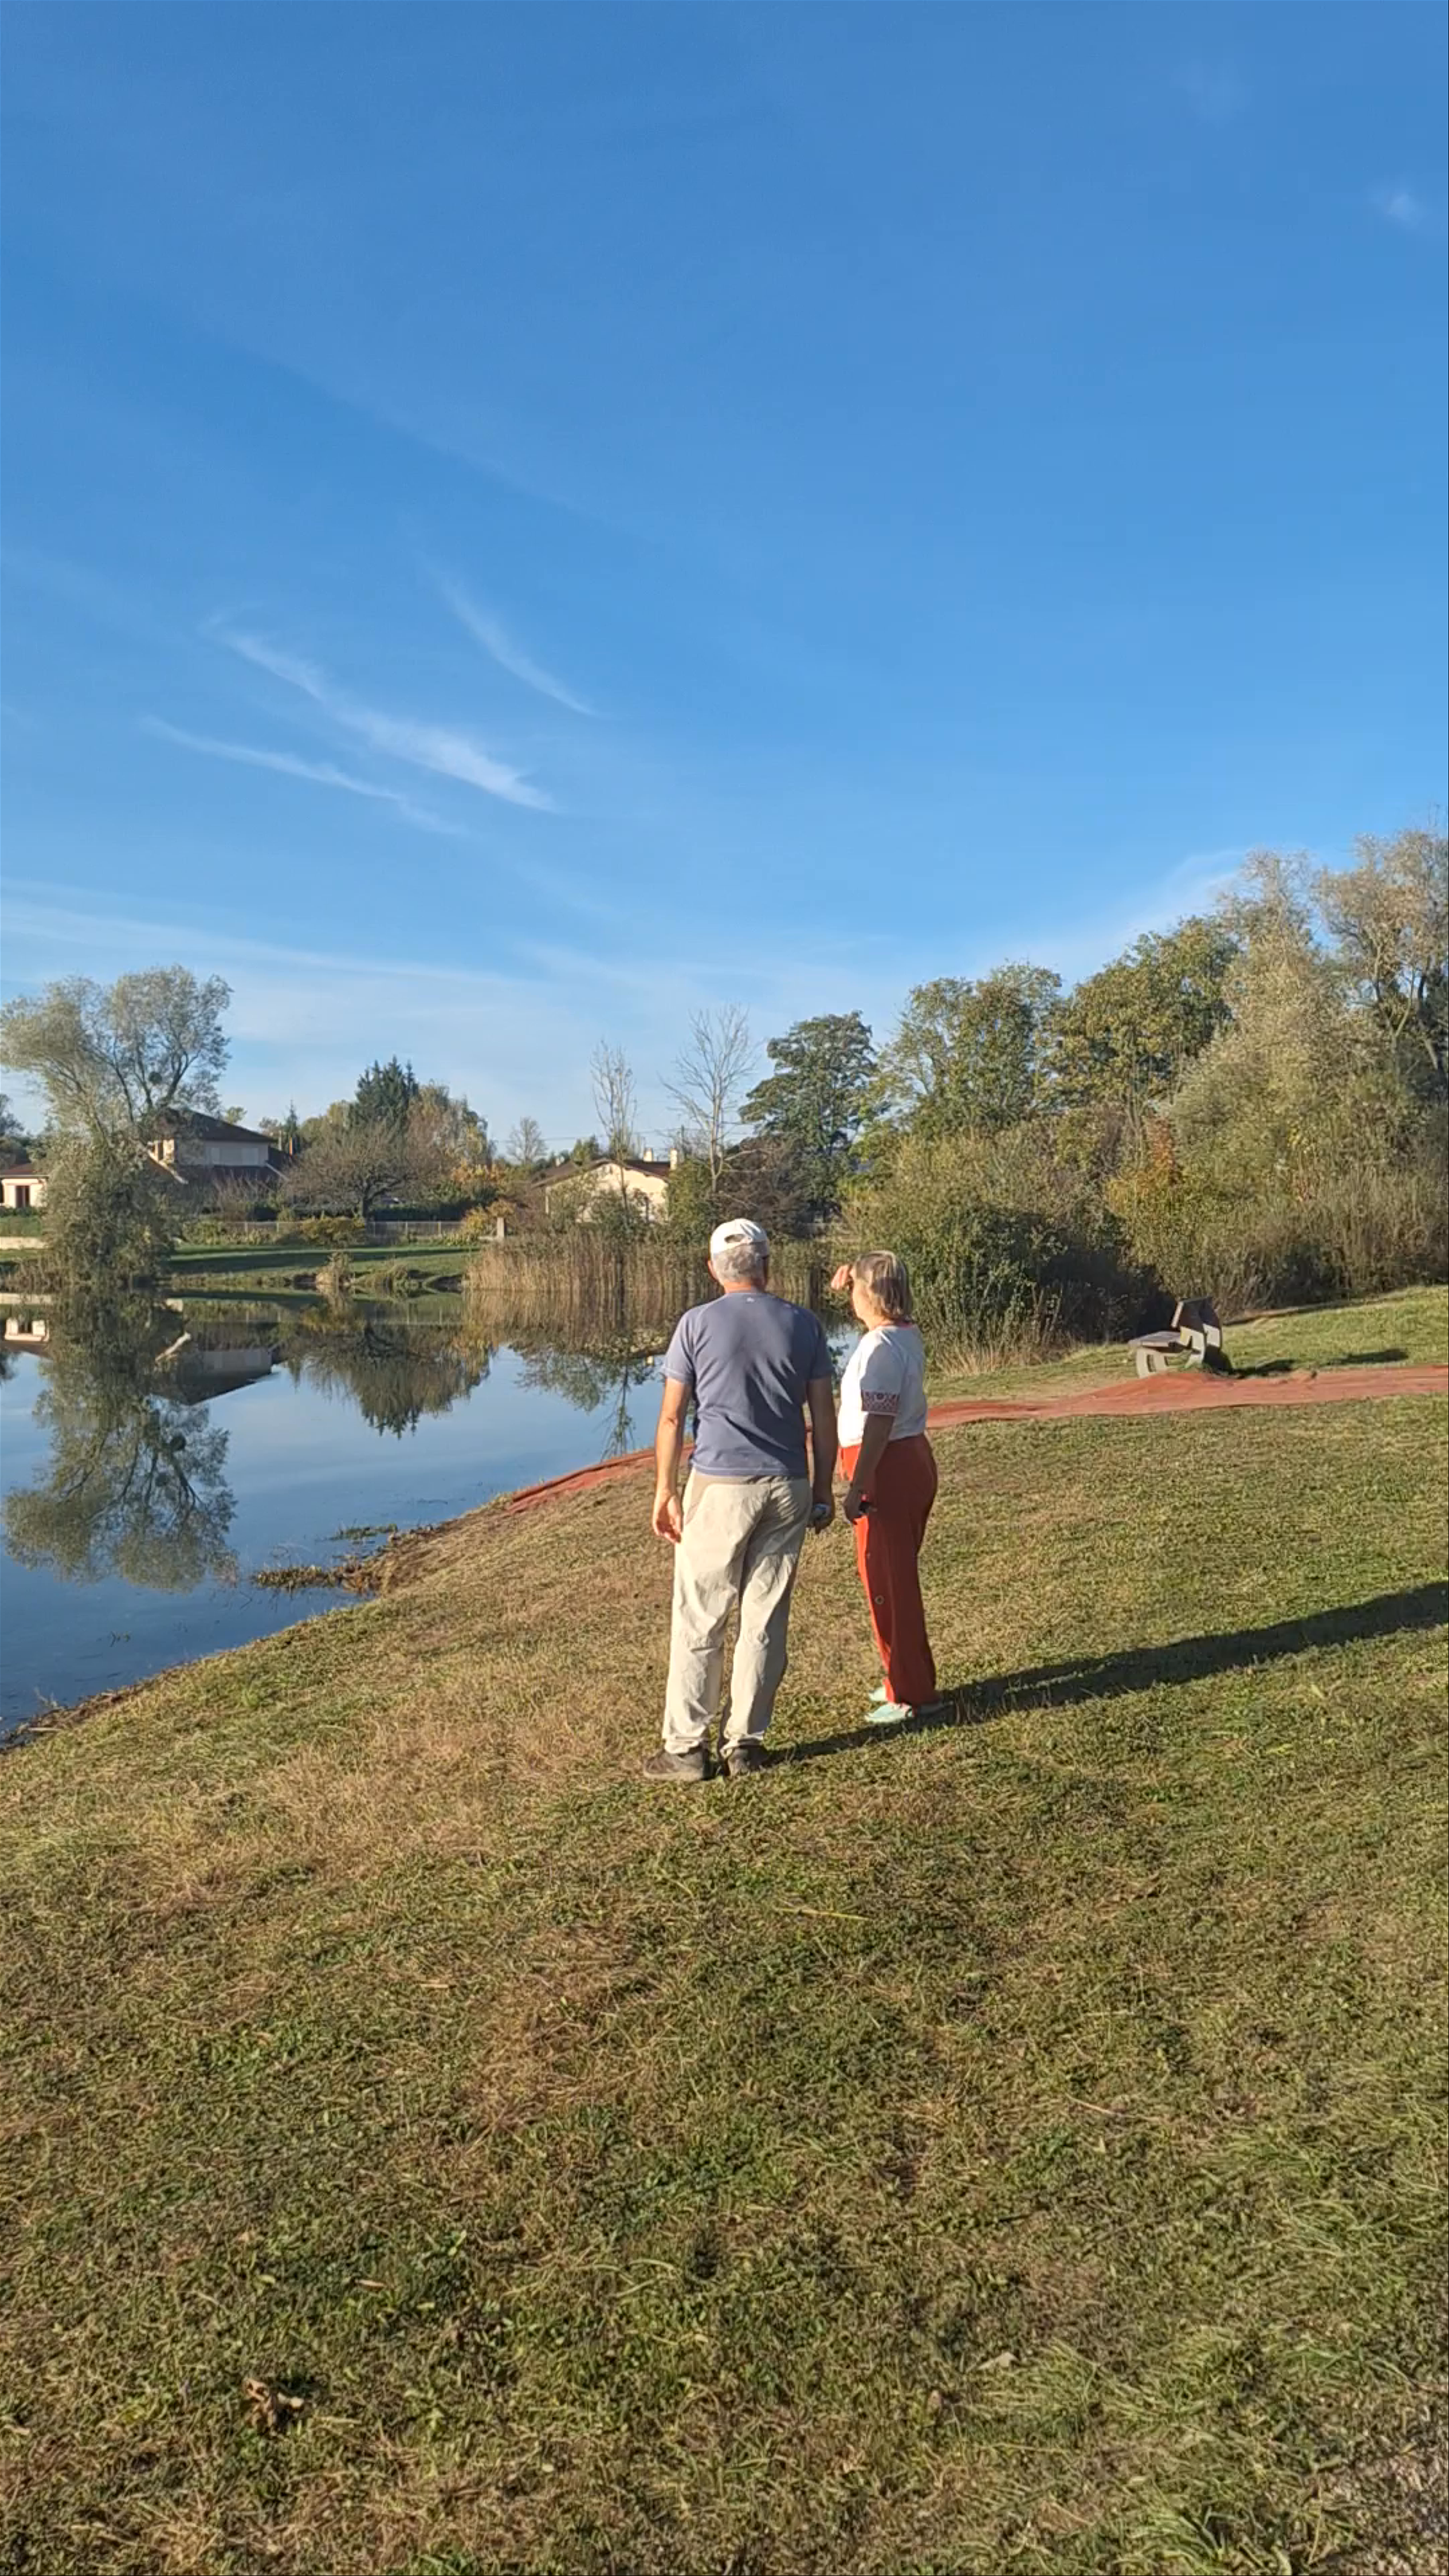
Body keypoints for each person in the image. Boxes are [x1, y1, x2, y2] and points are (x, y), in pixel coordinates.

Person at [647, 1217, 838, 1783]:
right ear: (767, 1266)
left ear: (713, 1269)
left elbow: (672, 1415)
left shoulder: (696, 1324)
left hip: (719, 1483)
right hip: (786, 1484)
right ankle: (746, 1744)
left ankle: (685, 1749)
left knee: (702, 1613)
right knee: (764, 1615)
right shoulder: (804, 1325)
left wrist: (664, 1489)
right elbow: (822, 1416)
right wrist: (824, 1486)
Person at [831, 1250, 945, 1726]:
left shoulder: (880, 1349)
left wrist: (859, 1484)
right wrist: (845, 1278)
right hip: (907, 1458)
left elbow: (878, 1423)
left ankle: (912, 1691)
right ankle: (903, 1673)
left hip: (888, 1466)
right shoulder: (902, 1334)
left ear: (871, 1293)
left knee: (889, 1581)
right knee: (889, 1576)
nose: (849, 1295)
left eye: (856, 1287)